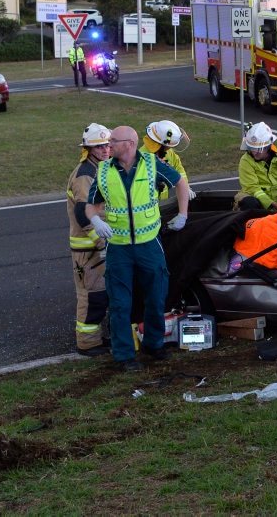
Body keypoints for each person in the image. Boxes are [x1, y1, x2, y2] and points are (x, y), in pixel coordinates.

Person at [86, 126, 189, 371]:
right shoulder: (103, 170)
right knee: (120, 303)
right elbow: (91, 205)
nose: (108, 145)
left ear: (130, 144)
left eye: (113, 141)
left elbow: (180, 183)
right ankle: (124, 356)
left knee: (156, 297)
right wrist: (96, 220)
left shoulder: (152, 164)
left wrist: (183, 214)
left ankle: (154, 345)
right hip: (119, 247)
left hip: (149, 244)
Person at [67, 123, 112, 356]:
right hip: (89, 248)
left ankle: (94, 339)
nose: (105, 150)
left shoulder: (101, 168)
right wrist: (101, 242)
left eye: (107, 145)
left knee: (101, 293)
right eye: (99, 147)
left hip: (98, 244)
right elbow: (84, 212)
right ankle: (87, 344)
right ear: (89, 149)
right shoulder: (85, 174)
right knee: (92, 295)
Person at [235, 122, 277, 212]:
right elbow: (252, 188)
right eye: (251, 148)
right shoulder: (246, 160)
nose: (254, 152)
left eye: (259, 149)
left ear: (269, 146)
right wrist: (272, 204)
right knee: (249, 202)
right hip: (256, 203)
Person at [141, 120, 196, 201]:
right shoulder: (141, 157)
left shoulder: (168, 153)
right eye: (169, 146)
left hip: (163, 202)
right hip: (147, 207)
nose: (171, 148)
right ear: (162, 144)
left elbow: (179, 170)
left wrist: (186, 188)